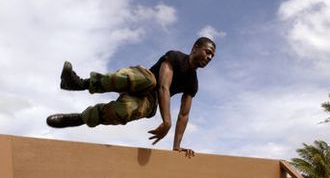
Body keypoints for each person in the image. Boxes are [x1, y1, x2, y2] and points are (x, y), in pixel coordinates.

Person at [47, 37, 216, 158]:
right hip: (141, 81)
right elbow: (163, 86)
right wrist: (166, 122)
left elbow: (184, 115)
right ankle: (79, 83)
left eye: (212, 56)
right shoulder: (176, 57)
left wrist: (176, 147)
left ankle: (78, 119)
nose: (209, 58)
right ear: (195, 48)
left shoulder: (193, 84)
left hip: (150, 101)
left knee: (123, 111)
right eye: (207, 52)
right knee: (150, 80)